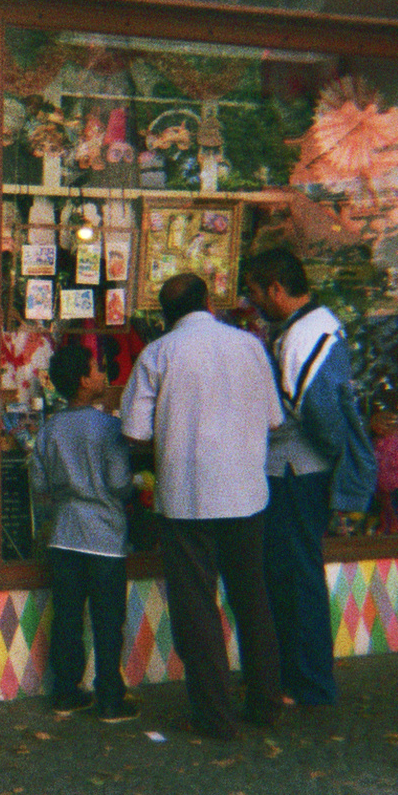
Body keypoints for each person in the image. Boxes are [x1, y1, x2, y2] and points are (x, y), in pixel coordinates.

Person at [117, 273, 284, 739]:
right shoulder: (250, 346)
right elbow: (273, 419)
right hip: (247, 494)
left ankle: (215, 714)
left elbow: (134, 432)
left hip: (188, 499)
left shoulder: (159, 353)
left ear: (164, 314)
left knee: (197, 608)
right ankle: (266, 701)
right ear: (209, 302)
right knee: (253, 599)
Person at [243, 249, 377, 708]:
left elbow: (321, 415)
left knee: (296, 576)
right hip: (296, 472)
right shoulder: (312, 327)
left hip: (296, 474)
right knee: (290, 574)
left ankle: (310, 682)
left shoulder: (306, 336)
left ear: (277, 290)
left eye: (257, 292)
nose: (253, 301)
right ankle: (299, 677)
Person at [30, 342, 138, 722]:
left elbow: (39, 484)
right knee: (108, 620)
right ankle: (110, 697)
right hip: (105, 537)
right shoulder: (109, 428)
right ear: (82, 381)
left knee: (68, 618)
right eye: (97, 369)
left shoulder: (49, 430)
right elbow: (120, 482)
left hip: (63, 535)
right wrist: (136, 485)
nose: (102, 375)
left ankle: (66, 692)